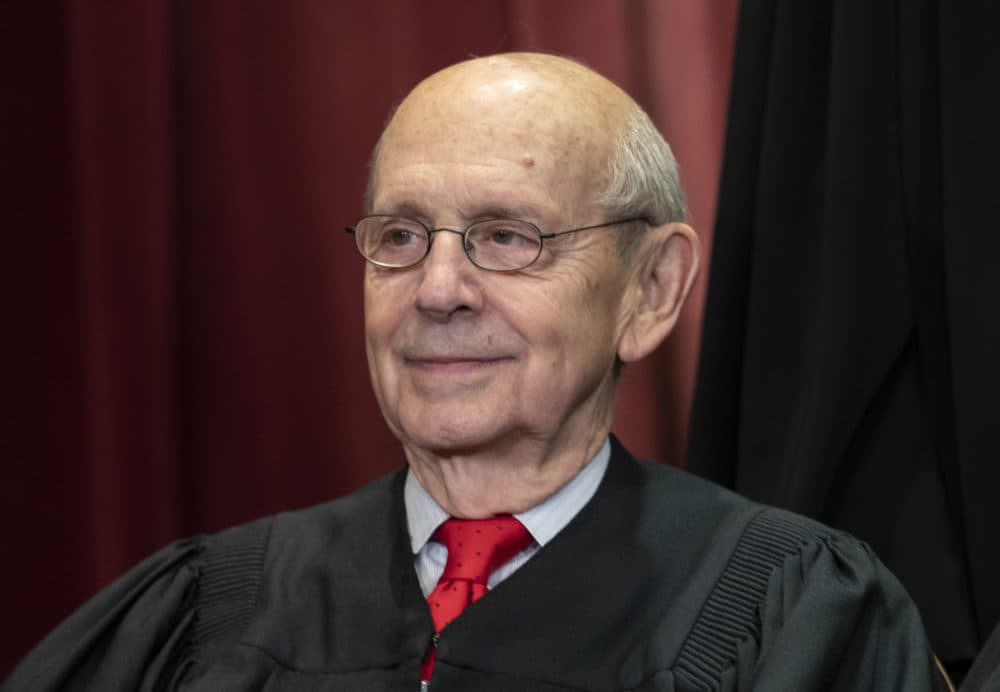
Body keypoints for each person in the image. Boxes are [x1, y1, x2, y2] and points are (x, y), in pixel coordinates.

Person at [2, 52, 946, 692]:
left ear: (650, 289)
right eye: (401, 236)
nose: (437, 288)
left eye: (508, 236)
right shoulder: (204, 615)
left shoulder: (790, 616)